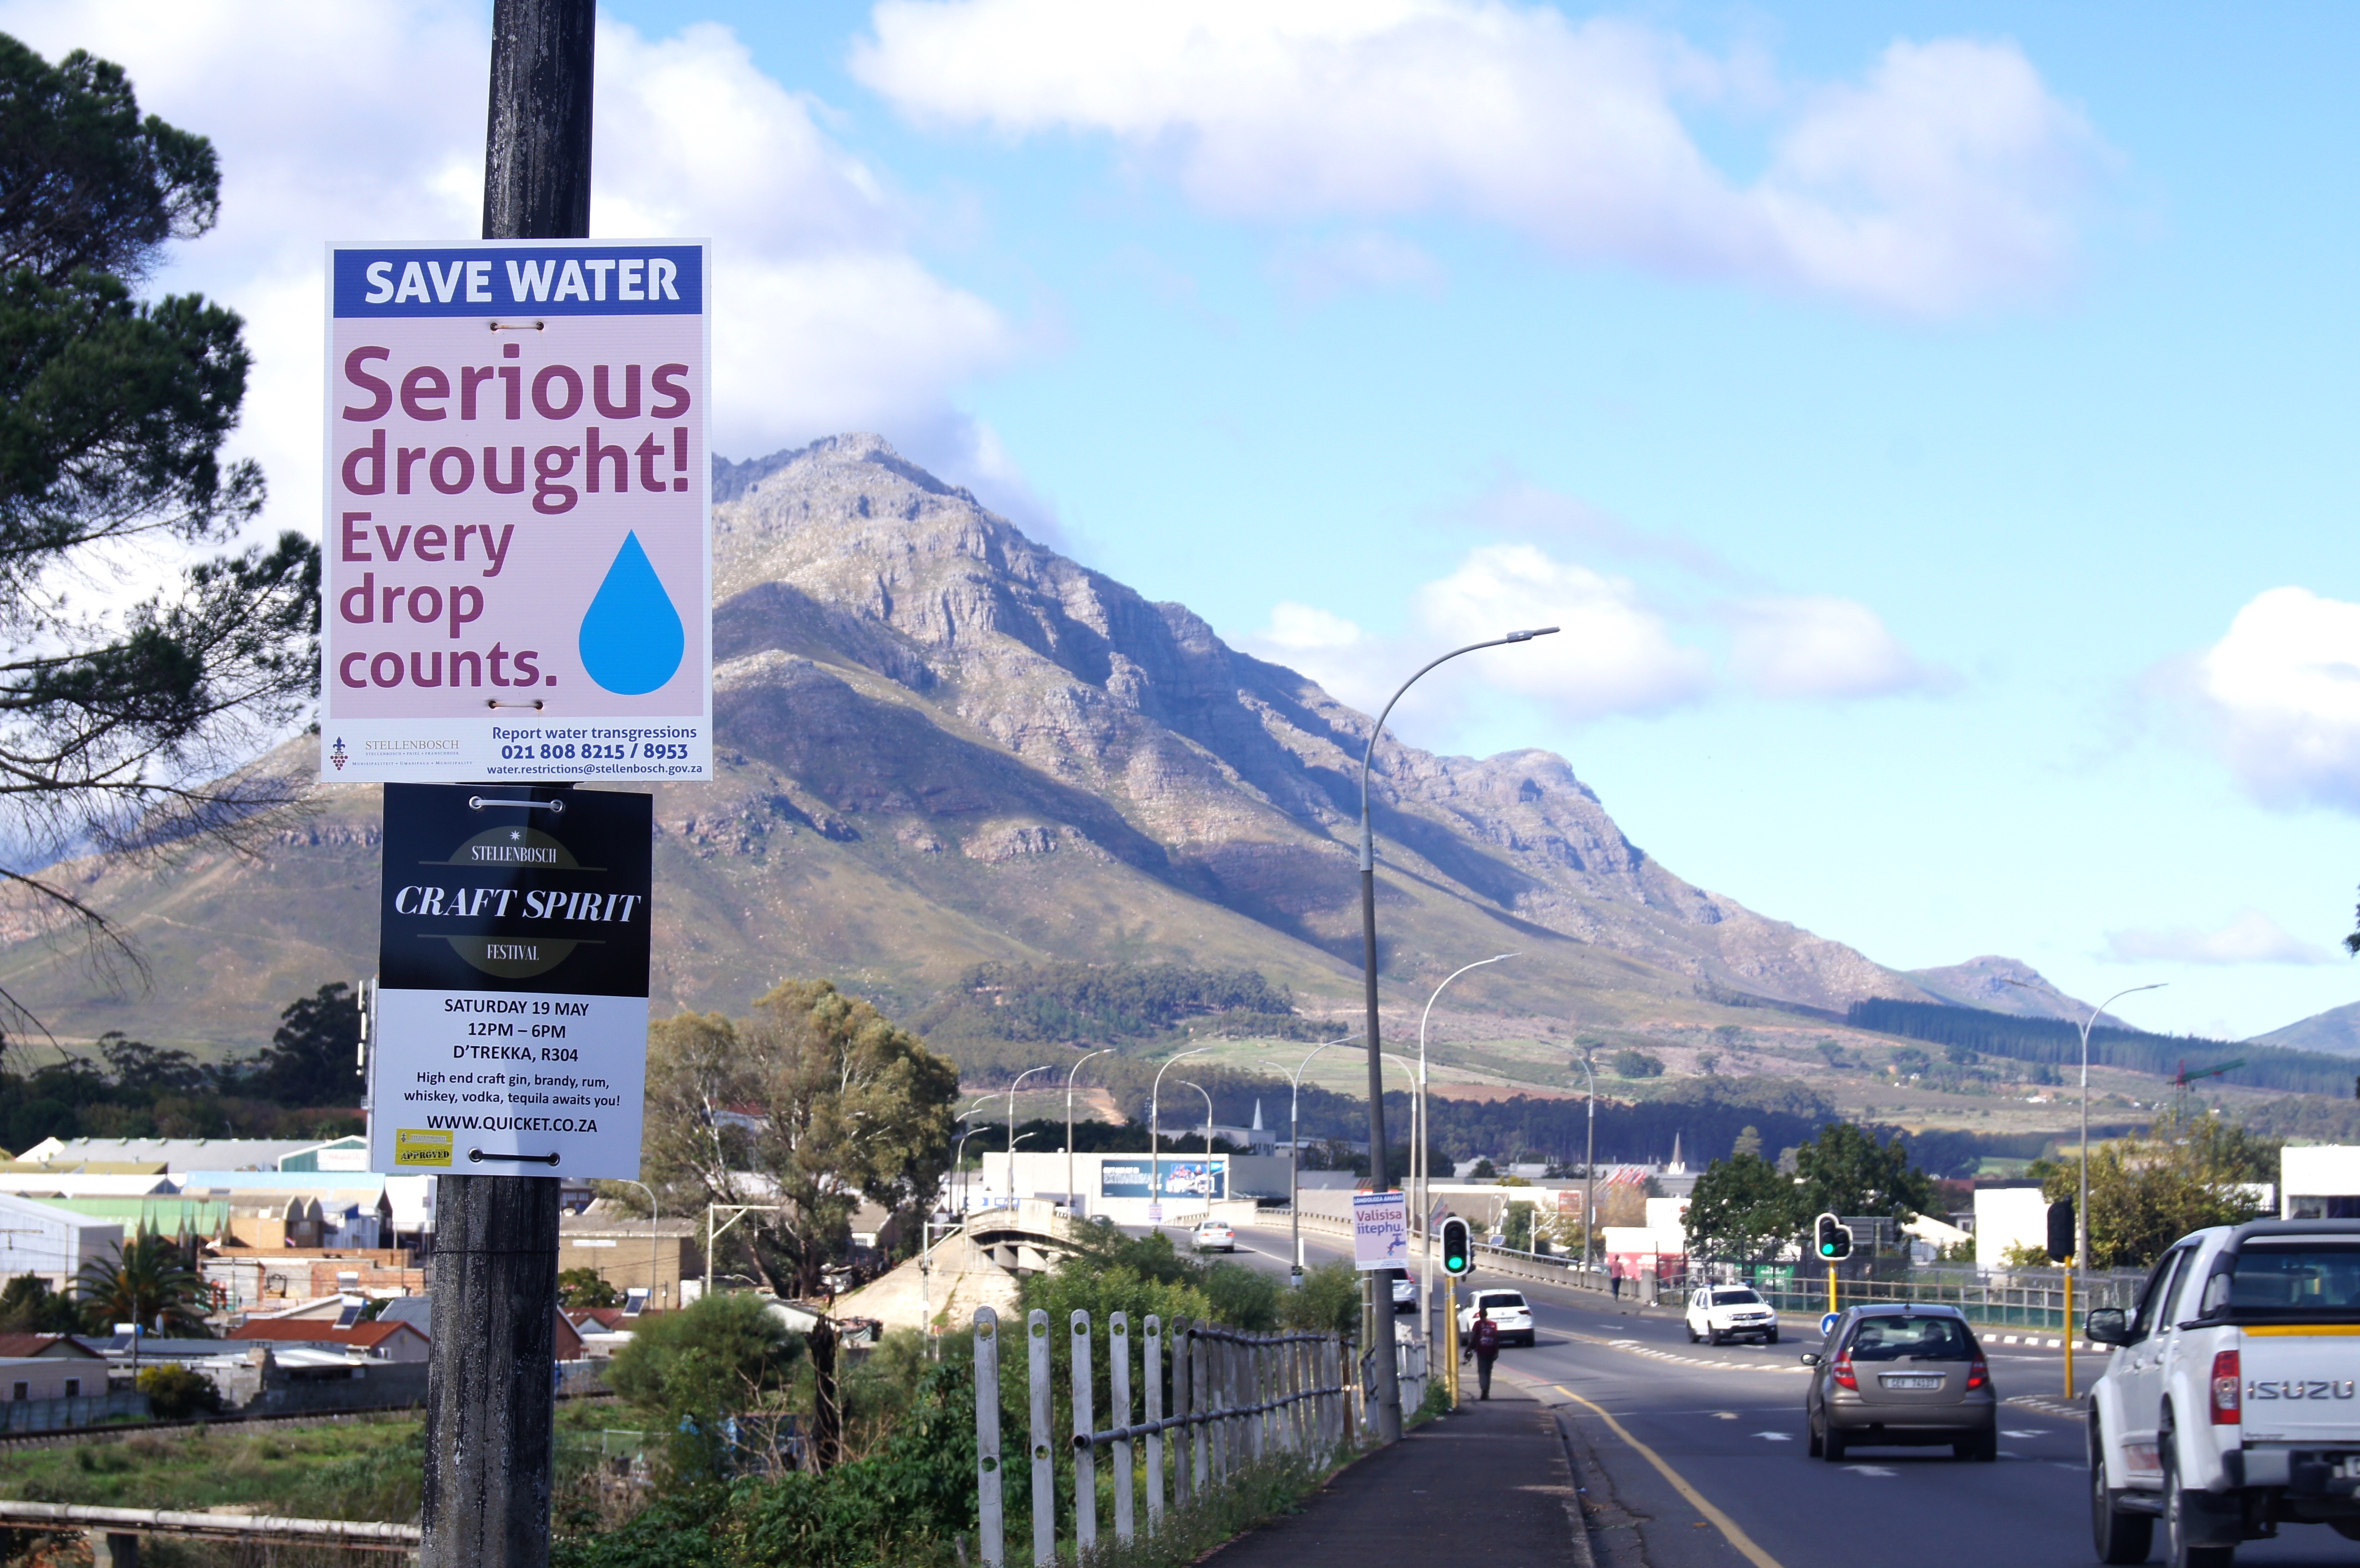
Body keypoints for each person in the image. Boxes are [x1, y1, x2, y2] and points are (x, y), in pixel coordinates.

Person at [1466, 1304, 1500, 1399]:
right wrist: (1497, 1352)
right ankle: (1487, 1391)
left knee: (1482, 1371)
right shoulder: (1493, 1325)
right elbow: (1497, 1339)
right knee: (1488, 1371)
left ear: (1480, 1315)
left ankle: (1484, 1390)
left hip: (1481, 1350)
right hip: (1492, 1350)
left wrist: (1468, 1349)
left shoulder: (1478, 1324)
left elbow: (1473, 1338)